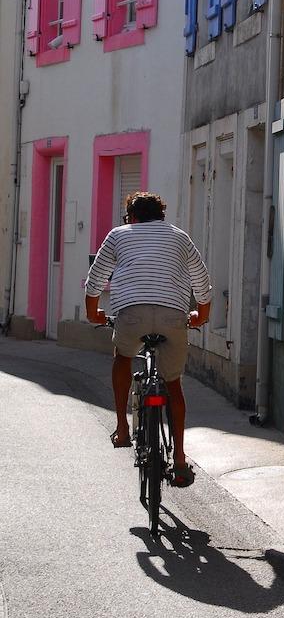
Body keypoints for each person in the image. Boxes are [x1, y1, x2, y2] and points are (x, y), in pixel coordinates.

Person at [84, 191, 212, 487]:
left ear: (133, 217)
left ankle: (121, 428)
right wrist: (200, 316)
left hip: (131, 314)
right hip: (174, 316)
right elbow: (202, 282)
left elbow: (95, 281)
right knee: (173, 383)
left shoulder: (119, 234)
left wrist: (95, 314)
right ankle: (179, 459)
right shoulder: (180, 237)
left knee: (123, 358)